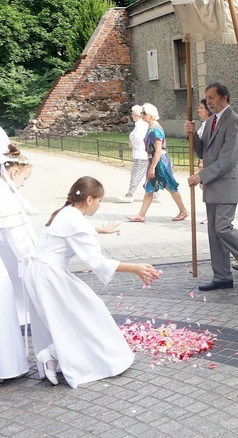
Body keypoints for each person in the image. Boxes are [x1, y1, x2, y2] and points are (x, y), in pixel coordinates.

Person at [24, 176, 159, 387]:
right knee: (85, 311)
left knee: (69, 315)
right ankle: (57, 354)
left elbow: (72, 230)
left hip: (39, 271)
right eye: (99, 200)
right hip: (49, 275)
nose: (99, 205)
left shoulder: (65, 211)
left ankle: (53, 355)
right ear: (89, 199)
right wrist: (135, 268)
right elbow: (97, 262)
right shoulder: (75, 220)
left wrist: (99, 230)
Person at [184, 83, 238, 292]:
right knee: (213, 232)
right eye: (206, 98)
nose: (208, 101)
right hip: (213, 186)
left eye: (212, 97)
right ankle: (222, 275)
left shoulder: (234, 122)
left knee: (222, 227)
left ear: (224, 98)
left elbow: (228, 159)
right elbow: (202, 152)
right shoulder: (211, 121)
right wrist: (191, 135)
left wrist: (201, 176)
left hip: (226, 184)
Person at [0, 144, 35, 382]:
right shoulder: (5, 197)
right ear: (13, 172)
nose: (23, 184)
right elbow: (20, 244)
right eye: (24, 178)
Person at [127, 103, 188, 223]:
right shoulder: (151, 127)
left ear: (151, 115)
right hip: (154, 160)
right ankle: (141, 215)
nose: (142, 115)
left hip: (159, 162)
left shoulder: (156, 129)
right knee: (150, 188)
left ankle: (183, 211)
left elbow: (158, 150)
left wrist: (152, 167)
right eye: (141, 113)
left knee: (170, 186)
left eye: (144, 113)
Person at [118, 105, 149, 203]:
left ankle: (130, 194)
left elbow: (139, 139)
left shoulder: (141, 125)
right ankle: (156, 195)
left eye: (132, 113)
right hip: (144, 154)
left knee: (136, 174)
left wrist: (132, 144)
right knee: (148, 175)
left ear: (137, 114)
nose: (131, 115)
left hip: (141, 154)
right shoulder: (141, 124)